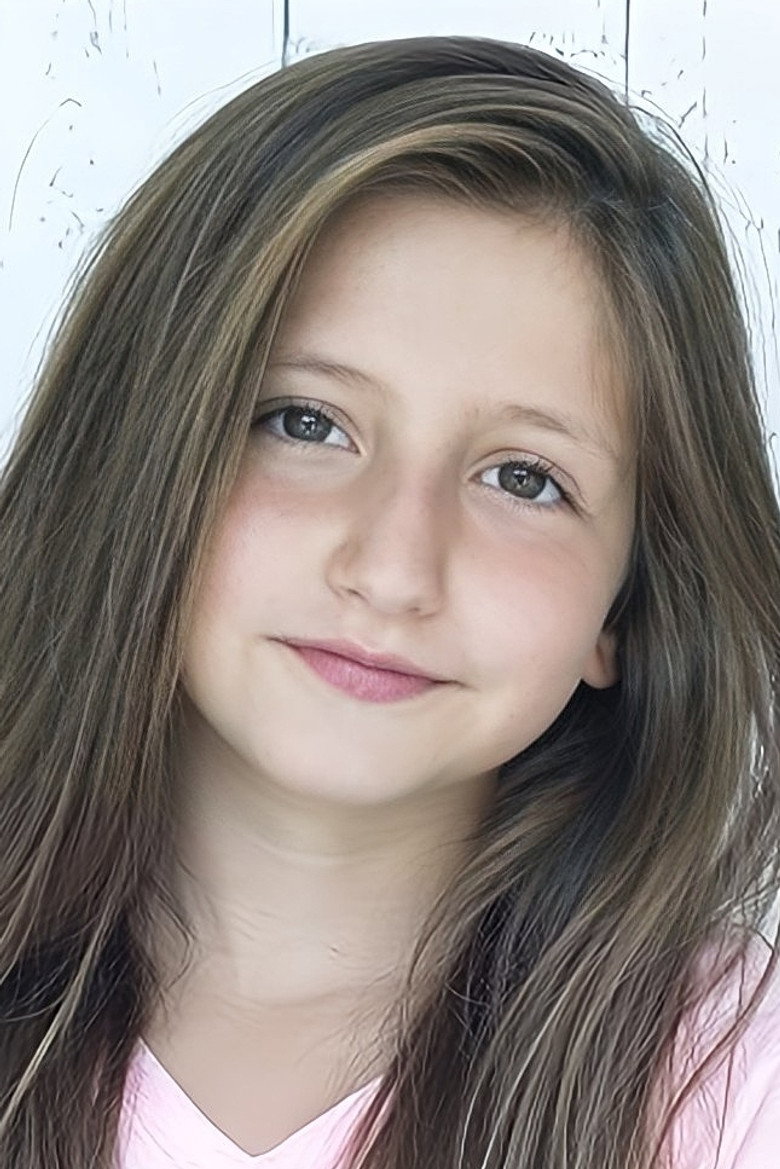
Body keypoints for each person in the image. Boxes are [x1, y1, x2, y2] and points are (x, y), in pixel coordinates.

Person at [1, 33, 779, 1169]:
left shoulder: (735, 1075)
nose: (394, 570)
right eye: (306, 423)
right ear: (140, 455)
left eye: (525, 479)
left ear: (626, 603)